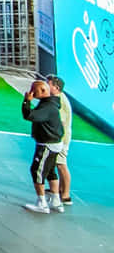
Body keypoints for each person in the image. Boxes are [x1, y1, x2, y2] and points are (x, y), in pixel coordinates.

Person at [22, 78, 65, 213]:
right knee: (50, 171)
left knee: (37, 171)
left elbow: (29, 115)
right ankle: (56, 201)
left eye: (34, 91)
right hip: (54, 143)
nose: (31, 93)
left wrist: (26, 101)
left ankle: (42, 203)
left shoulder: (47, 107)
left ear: (42, 91)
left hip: (47, 144)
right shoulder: (50, 103)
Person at [47, 74, 73, 210]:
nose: (46, 85)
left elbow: (61, 122)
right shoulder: (57, 98)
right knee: (59, 164)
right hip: (60, 137)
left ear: (56, 87)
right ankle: (61, 190)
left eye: (48, 84)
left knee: (61, 164)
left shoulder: (60, 101)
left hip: (61, 138)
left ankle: (66, 195)